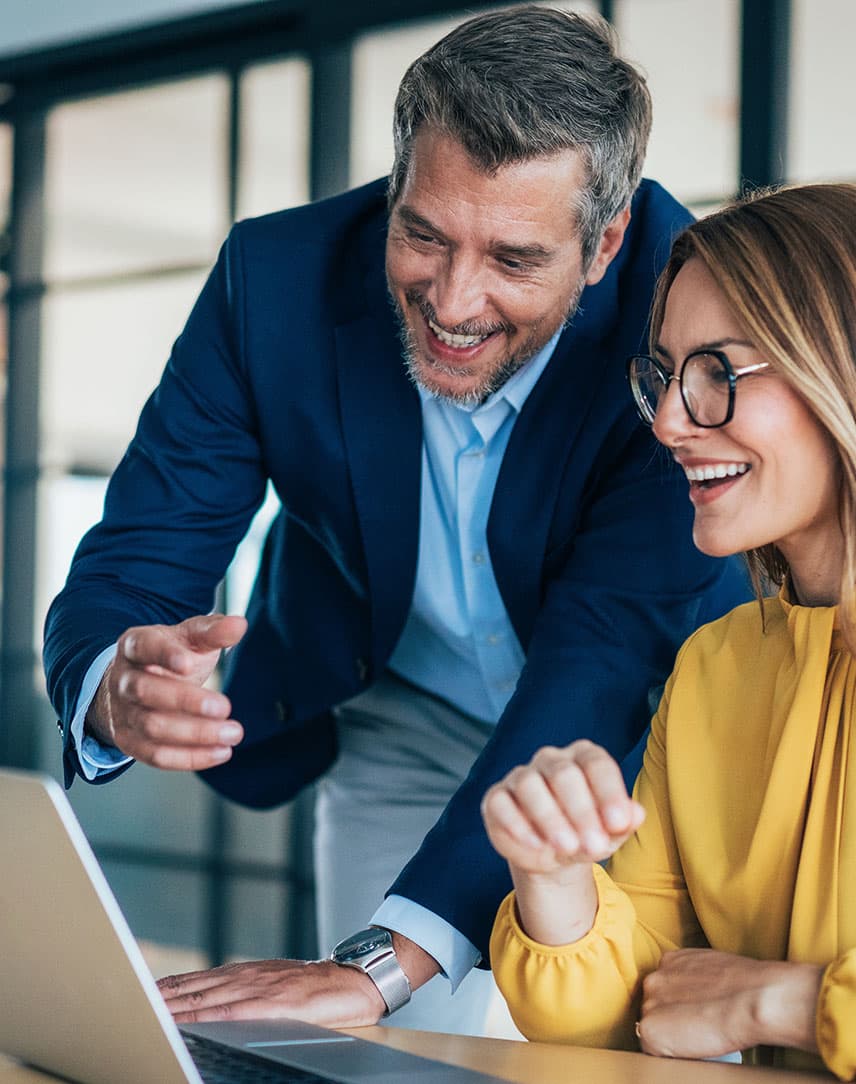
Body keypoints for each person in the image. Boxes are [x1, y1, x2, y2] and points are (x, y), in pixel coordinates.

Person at [43, 6, 746, 1035]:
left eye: (512, 259)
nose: (453, 302)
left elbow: (599, 662)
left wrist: (380, 960)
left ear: (603, 246)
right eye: (421, 233)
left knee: (613, 1041)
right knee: (395, 1044)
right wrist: (115, 681)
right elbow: (149, 536)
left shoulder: (680, 325)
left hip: (623, 742)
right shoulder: (273, 280)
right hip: (398, 713)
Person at [483, 182, 856, 1078]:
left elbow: (719, 1007)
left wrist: (792, 1004)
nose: (670, 422)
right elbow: (634, 1012)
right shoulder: (718, 666)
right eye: (666, 374)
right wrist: (555, 878)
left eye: (718, 372)